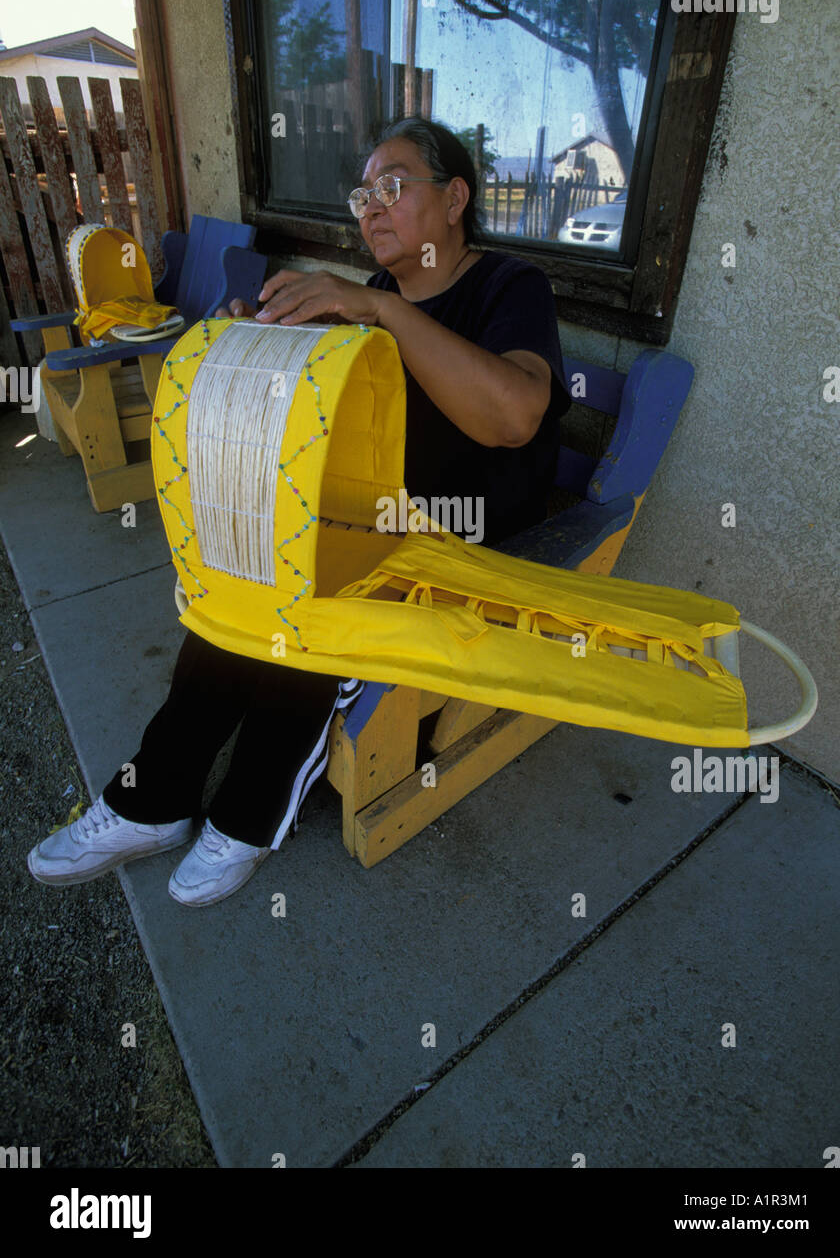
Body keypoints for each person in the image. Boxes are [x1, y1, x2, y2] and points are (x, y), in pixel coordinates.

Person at [27, 118, 572, 907]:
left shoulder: (507, 286)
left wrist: (374, 314)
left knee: (312, 608)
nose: (371, 208)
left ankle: (245, 817)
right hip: (373, 520)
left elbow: (513, 416)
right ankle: (152, 799)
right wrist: (268, 346)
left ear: (455, 198)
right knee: (236, 587)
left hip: (461, 544)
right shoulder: (375, 297)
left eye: (392, 186)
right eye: (362, 194)